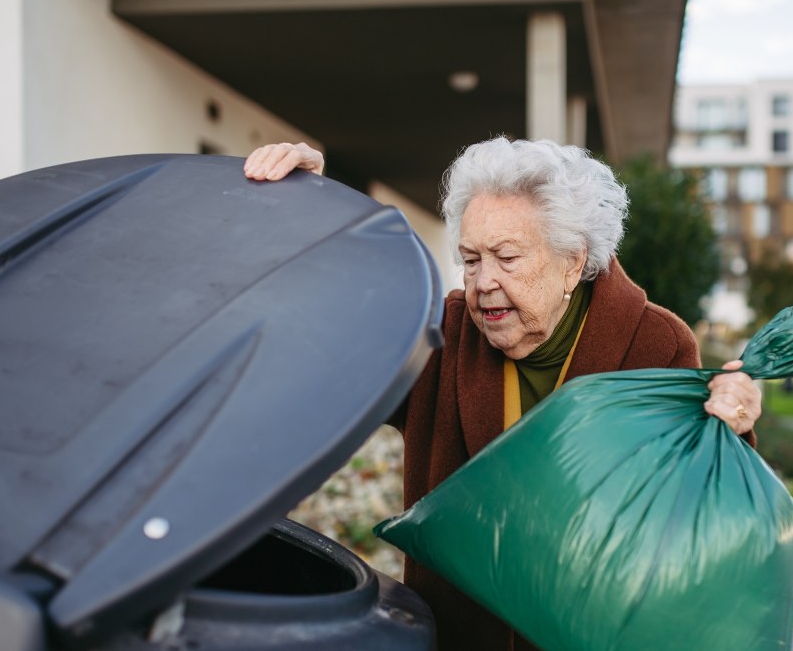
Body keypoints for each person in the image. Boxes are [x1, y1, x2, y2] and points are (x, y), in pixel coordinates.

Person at [244, 137, 763, 651]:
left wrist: (734, 422)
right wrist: (309, 210)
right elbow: (334, 334)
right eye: (470, 260)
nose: (483, 281)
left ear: (572, 261)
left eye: (507, 257)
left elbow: (696, 498)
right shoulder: (439, 334)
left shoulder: (656, 343)